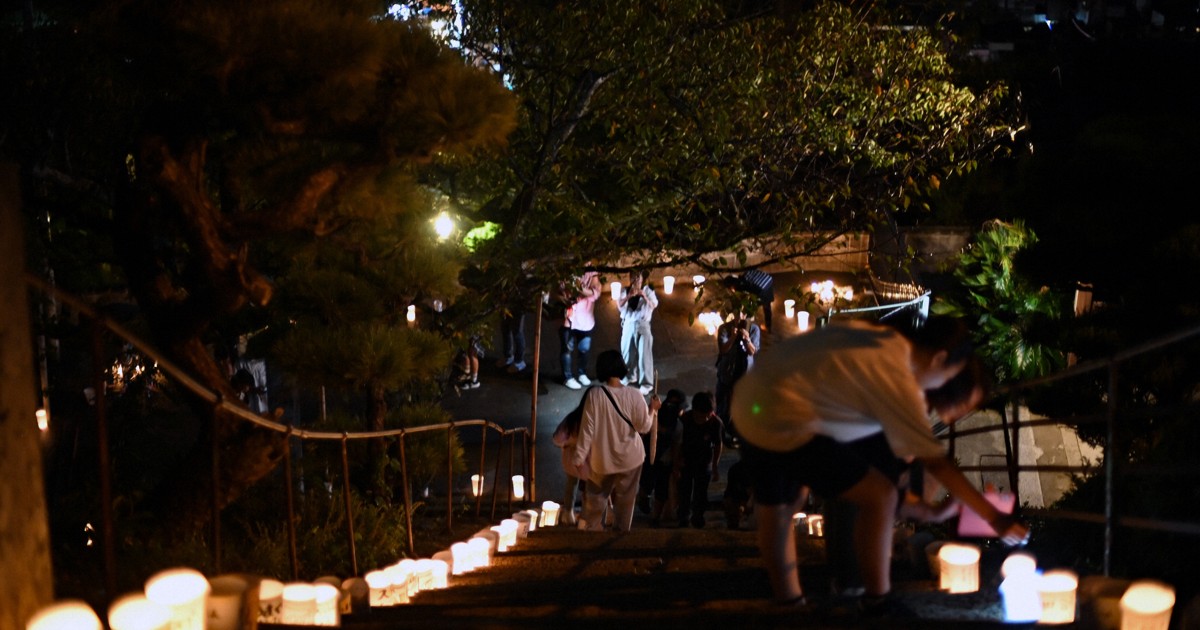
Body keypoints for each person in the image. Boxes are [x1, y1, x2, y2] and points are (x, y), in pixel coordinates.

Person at [730, 315, 1029, 614]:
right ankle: (877, 600)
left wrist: (933, 509)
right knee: (878, 495)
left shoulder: (884, 339)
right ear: (939, 359)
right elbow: (938, 465)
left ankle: (789, 602)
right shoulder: (900, 380)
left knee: (780, 507)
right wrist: (995, 517)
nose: (945, 385)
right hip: (786, 419)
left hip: (752, 398)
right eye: (949, 377)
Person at [572, 349, 661, 532]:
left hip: (602, 460)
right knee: (626, 501)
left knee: (596, 499)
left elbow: (587, 430)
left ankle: (593, 531)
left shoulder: (595, 395)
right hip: (631, 459)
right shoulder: (635, 395)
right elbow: (644, 427)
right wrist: (652, 409)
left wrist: (578, 458)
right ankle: (621, 535)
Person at [673, 391, 724, 529]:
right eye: (700, 416)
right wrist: (677, 463)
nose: (703, 419)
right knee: (684, 491)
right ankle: (683, 517)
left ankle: (698, 517)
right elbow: (678, 443)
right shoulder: (686, 420)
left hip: (704, 462)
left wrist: (714, 466)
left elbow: (718, 445)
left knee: (701, 493)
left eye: (707, 416)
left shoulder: (716, 423)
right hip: (686, 460)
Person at [637, 388, 687, 526]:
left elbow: (676, 447)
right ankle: (644, 498)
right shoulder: (653, 417)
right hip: (648, 458)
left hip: (664, 461)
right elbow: (641, 435)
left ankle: (655, 517)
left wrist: (675, 466)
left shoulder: (678, 427)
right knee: (647, 482)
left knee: (662, 489)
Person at [715, 310, 760, 447]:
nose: (740, 316)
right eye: (737, 313)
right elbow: (723, 350)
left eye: (743, 313)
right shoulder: (724, 328)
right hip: (727, 373)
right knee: (723, 405)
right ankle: (720, 433)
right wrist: (733, 337)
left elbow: (753, 351)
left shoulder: (753, 329)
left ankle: (737, 434)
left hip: (744, 373)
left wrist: (747, 339)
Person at [559, 271, 602, 390]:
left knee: (584, 349)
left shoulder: (592, 273)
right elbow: (560, 290)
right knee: (567, 349)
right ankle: (568, 377)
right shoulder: (568, 269)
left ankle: (582, 373)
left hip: (586, 320)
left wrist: (578, 288)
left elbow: (595, 294)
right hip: (570, 319)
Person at [618, 271, 658, 395]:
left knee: (644, 354)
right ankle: (629, 376)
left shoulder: (648, 291)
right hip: (628, 324)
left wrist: (644, 296)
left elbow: (653, 305)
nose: (636, 281)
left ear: (642, 280)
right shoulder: (625, 290)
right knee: (627, 352)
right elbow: (619, 305)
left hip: (642, 324)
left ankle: (646, 383)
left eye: (638, 279)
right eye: (633, 278)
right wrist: (629, 296)